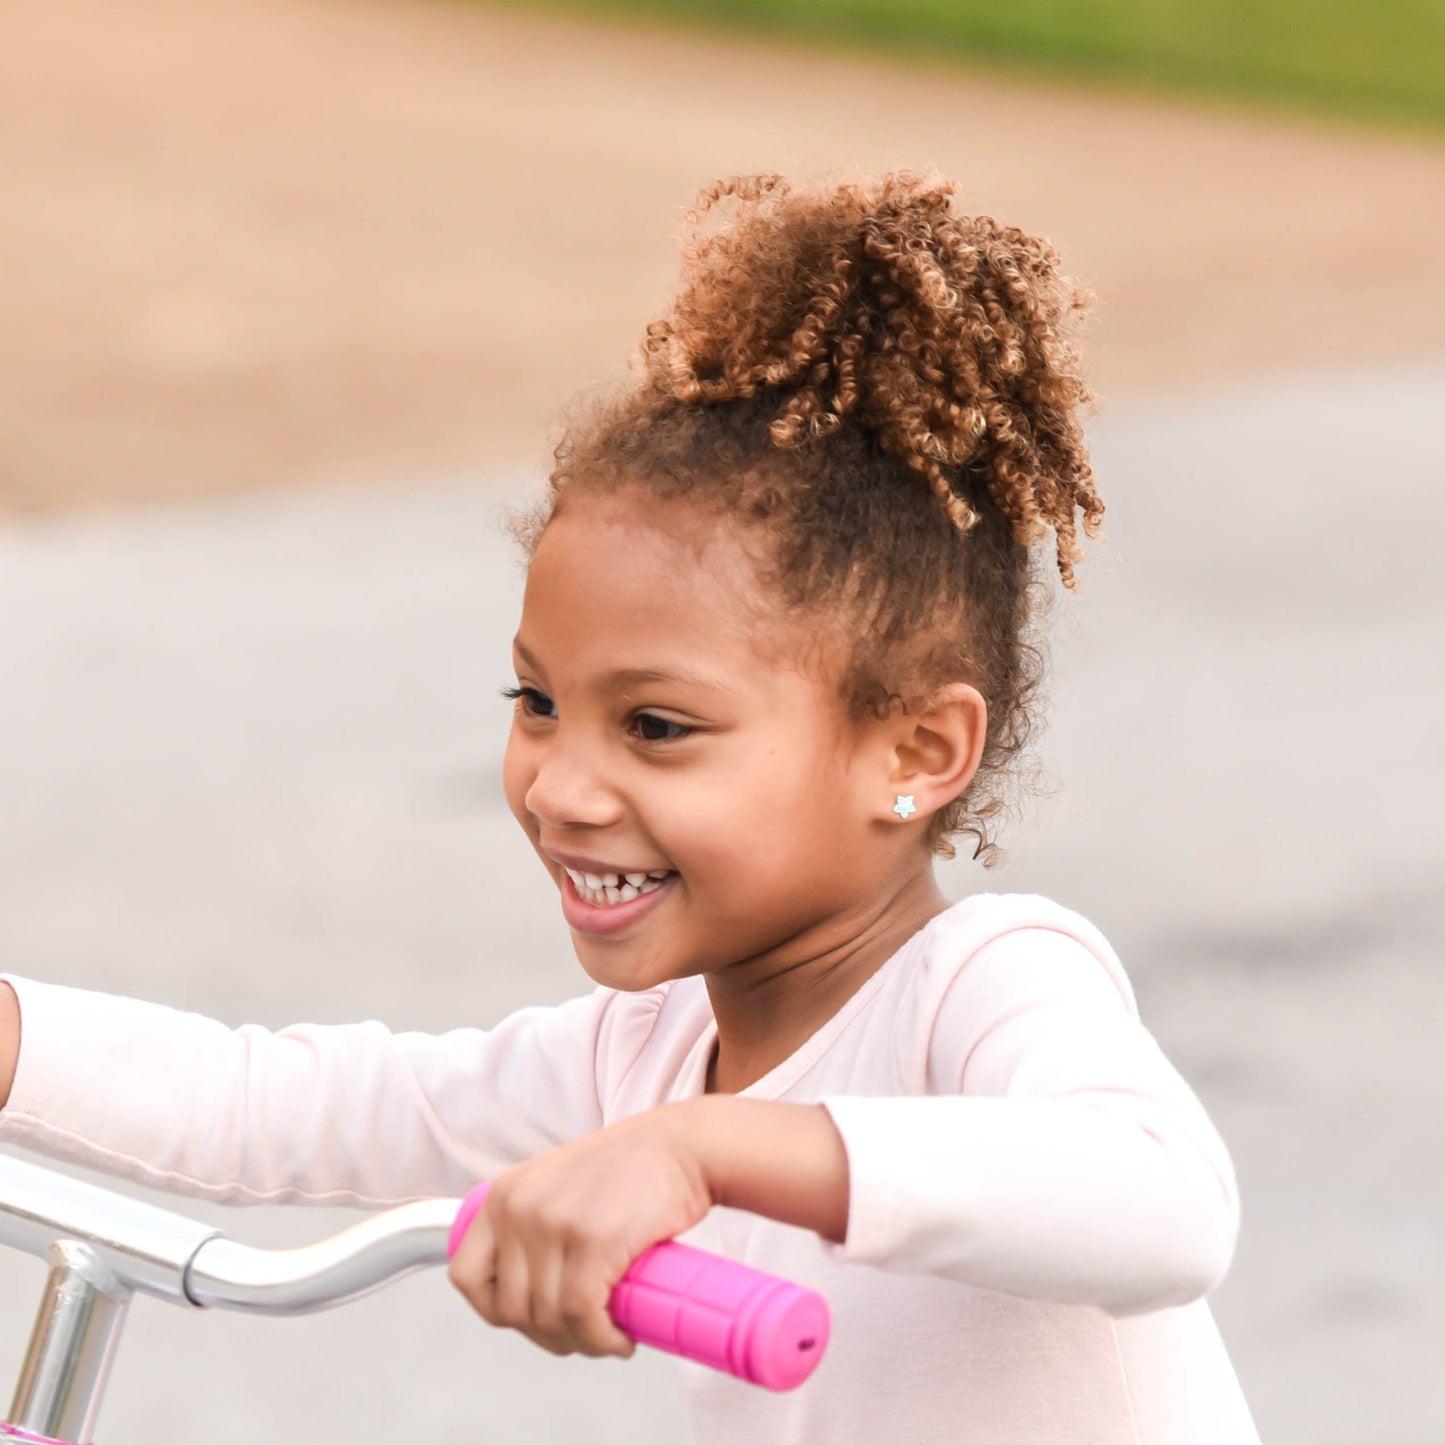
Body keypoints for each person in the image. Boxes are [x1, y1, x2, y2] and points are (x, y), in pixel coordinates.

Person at [0, 172, 1258, 1443]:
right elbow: (281, 1105)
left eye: (655, 726)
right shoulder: (643, 1055)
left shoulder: (978, 988)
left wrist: (702, 1151)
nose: (558, 784)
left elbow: (1161, 1200)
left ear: (917, 750)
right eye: (536, 700)